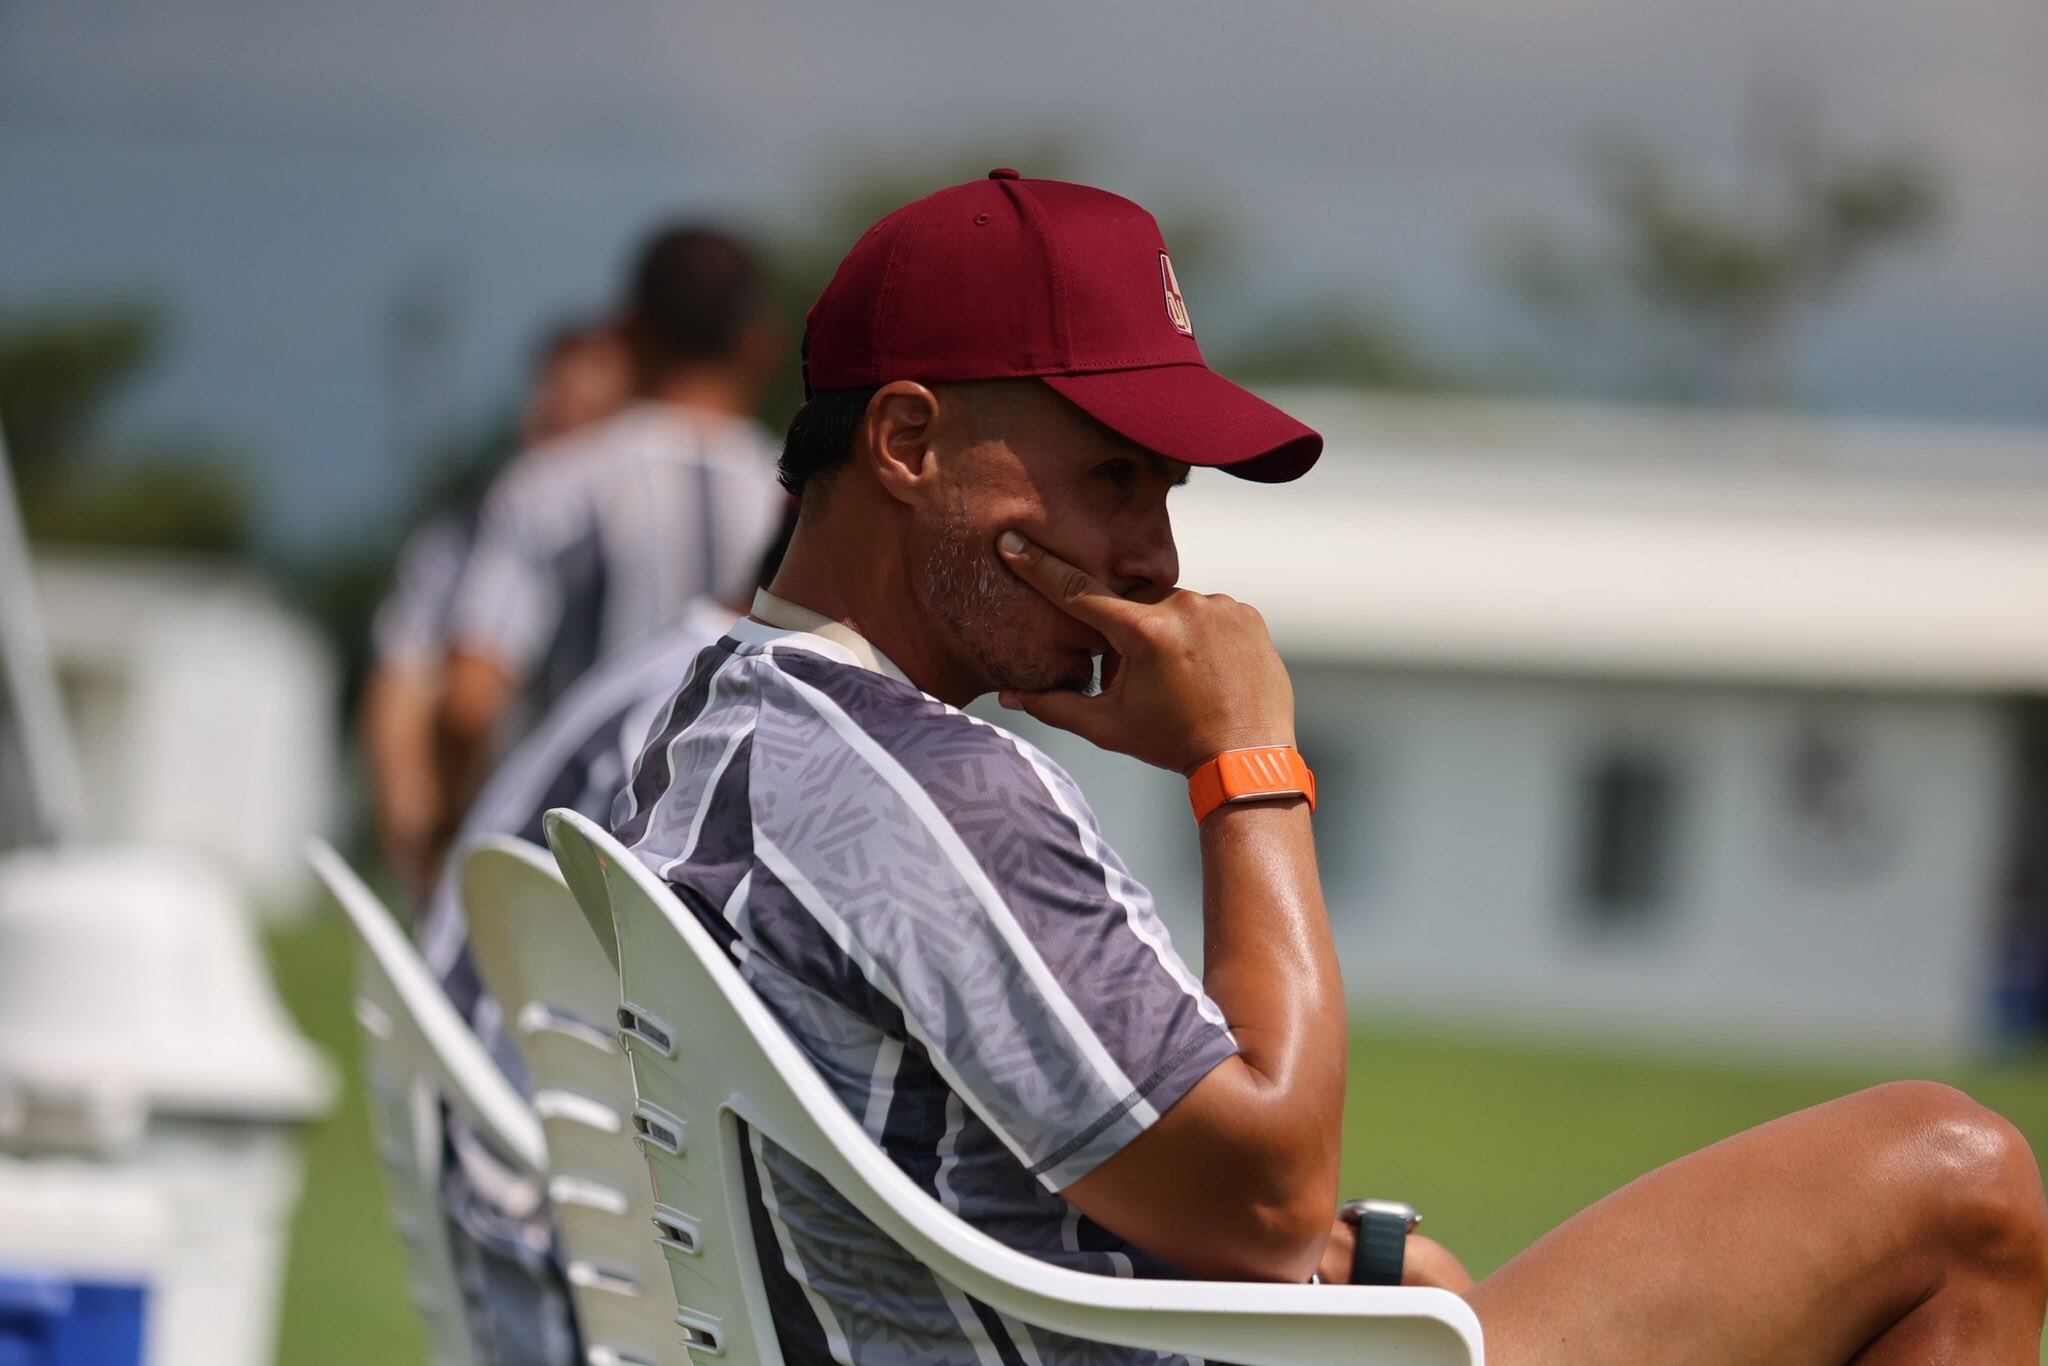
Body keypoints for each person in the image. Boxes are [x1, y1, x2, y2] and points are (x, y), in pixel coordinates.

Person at [616, 170, 2048, 1363]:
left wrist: (1331, 1260)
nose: (1160, 560)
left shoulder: (715, 728)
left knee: (1407, 1259)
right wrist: (1252, 762)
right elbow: (1264, 1190)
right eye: (1113, 475)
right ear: (911, 440)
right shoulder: (927, 789)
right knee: (1955, 1176)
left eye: (1164, 495)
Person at [435, 224, 787, 827]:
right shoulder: (795, 496)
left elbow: (469, 703)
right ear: (759, 346)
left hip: (564, 858)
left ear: (624, 334)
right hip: (728, 861)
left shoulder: (551, 485)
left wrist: (453, 827)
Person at [363, 320, 631, 893]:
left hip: (522, 831)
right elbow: (449, 696)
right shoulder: (482, 526)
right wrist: (428, 832)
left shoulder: (484, 522)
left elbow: (447, 698)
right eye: (555, 409)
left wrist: (437, 835)